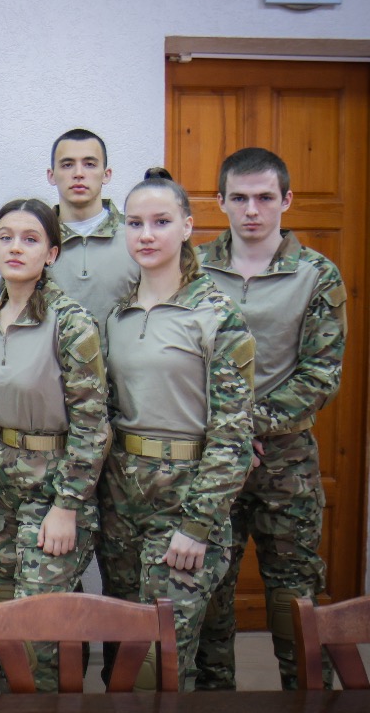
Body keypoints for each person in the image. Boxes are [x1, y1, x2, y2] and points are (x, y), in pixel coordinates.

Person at [194, 148, 345, 691]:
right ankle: (213, 700)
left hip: (285, 461)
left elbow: (320, 374)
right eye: (239, 198)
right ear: (220, 201)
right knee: (209, 591)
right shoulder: (192, 269)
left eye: (264, 197)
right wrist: (226, 434)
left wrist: (247, 426)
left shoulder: (316, 274)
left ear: (286, 200)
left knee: (292, 595)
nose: (252, 210)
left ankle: (308, 697)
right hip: (211, 459)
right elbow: (175, 365)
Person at [98, 173, 255, 690]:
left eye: (161, 222)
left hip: (185, 500)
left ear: (187, 227)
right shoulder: (117, 316)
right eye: (135, 223)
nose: (146, 234)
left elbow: (233, 435)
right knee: (121, 651)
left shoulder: (216, 315)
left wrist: (199, 524)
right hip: (122, 499)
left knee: (157, 661)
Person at [0, 198, 109, 691]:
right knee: (8, 612)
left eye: (30, 238)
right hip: (1, 485)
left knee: (38, 619)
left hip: (55, 482)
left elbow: (92, 424)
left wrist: (67, 506)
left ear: (52, 253)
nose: (15, 247)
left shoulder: (71, 322)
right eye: (5, 237)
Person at [45, 128, 139, 323]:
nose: (78, 174)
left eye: (89, 164)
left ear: (106, 174)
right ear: (51, 175)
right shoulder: (35, 239)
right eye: (67, 165)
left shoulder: (137, 235)